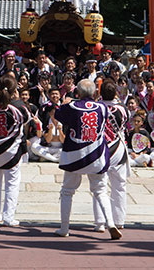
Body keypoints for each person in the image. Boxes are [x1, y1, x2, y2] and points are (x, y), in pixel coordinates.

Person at [54, 79, 122, 239]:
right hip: (96, 155)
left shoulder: (71, 106)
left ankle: (64, 228)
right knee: (101, 191)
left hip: (74, 154)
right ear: (94, 93)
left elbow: (58, 115)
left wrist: (64, 103)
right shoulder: (102, 108)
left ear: (77, 93)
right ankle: (110, 223)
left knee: (67, 191)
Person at [0, 76, 31, 226]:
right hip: (10, 151)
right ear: (15, 90)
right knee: (12, 183)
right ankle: (8, 217)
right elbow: (27, 118)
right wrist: (16, 99)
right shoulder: (19, 108)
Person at [93, 79, 130, 231]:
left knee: (99, 186)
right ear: (115, 93)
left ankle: (100, 222)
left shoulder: (96, 108)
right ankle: (119, 220)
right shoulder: (123, 109)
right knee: (119, 185)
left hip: (100, 148)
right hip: (118, 148)